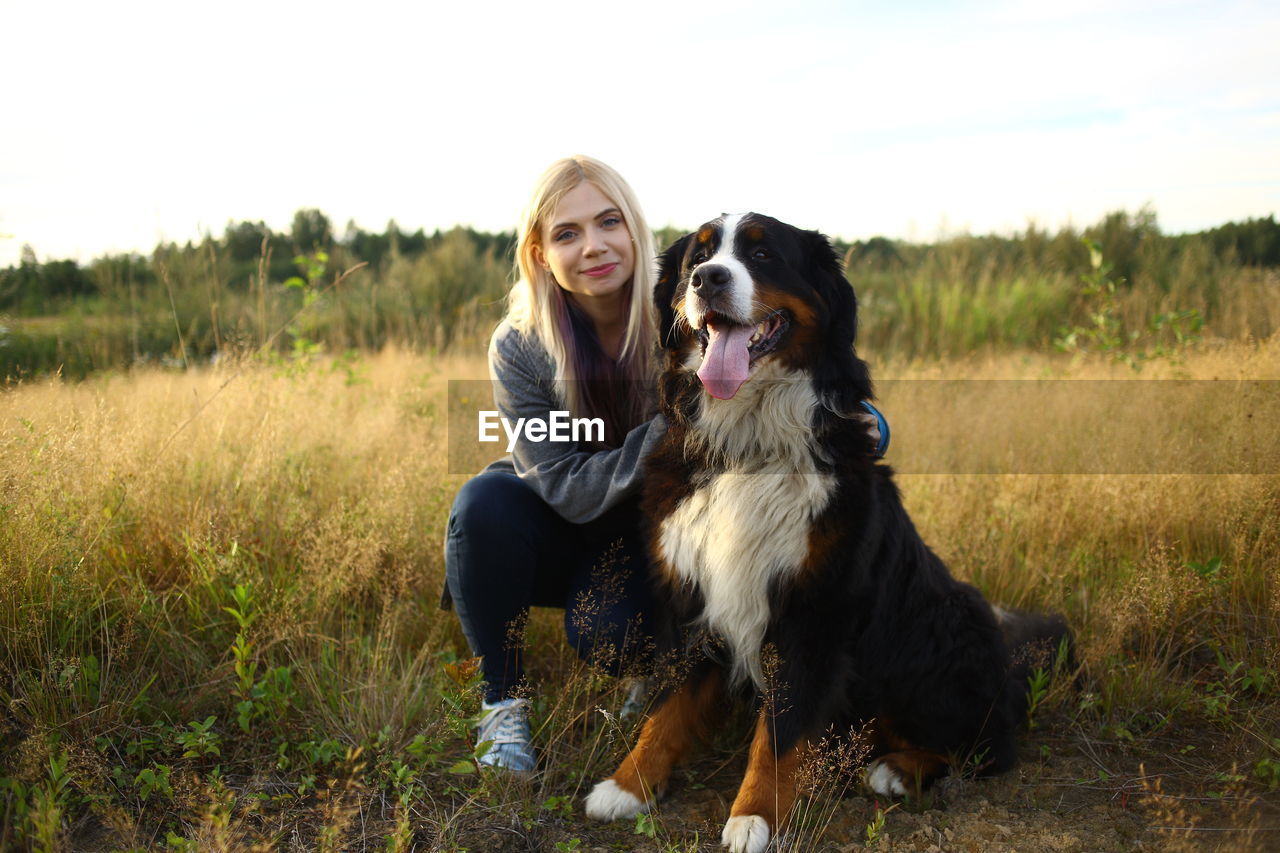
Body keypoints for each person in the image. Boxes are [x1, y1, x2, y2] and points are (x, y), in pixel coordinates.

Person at [442, 156, 667, 773]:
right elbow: (562, 485)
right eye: (567, 234)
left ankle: (656, 679)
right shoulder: (519, 344)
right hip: (565, 520)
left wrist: (862, 416)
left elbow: (788, 371)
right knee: (483, 506)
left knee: (611, 631)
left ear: (634, 231)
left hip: (656, 535)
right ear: (540, 254)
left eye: (608, 223)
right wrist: (673, 428)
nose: (594, 247)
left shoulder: (684, 312)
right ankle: (502, 706)